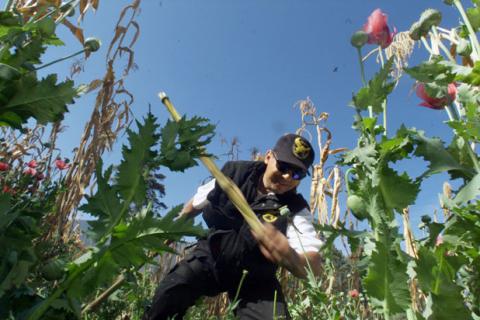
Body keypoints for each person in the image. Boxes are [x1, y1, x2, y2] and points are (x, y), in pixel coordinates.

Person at [143, 133, 324, 320]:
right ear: (269, 157)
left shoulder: (296, 209)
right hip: (210, 257)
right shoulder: (234, 174)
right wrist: (169, 232)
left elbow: (314, 265)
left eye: (297, 173)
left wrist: (291, 257)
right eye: (283, 166)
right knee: (169, 295)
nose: (287, 176)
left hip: (256, 278)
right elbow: (195, 204)